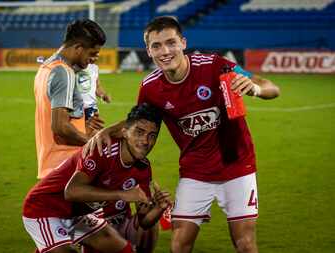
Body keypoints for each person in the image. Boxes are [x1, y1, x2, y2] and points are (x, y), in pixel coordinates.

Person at [83, 16, 280, 253]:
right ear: (148, 51)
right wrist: (108, 131)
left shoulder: (214, 66)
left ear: (183, 43)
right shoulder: (150, 87)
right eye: (156, 46)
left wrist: (255, 88)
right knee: (179, 244)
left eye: (171, 43)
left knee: (245, 243)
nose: (165, 51)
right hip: (195, 171)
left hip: (237, 166)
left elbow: (272, 87)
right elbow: (138, 123)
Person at [22, 103, 172, 253]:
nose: (146, 141)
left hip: (77, 215)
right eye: (139, 132)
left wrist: (159, 209)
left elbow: (144, 222)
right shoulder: (102, 149)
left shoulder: (143, 168)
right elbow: (72, 191)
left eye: (152, 136)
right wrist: (122, 194)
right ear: (124, 132)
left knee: (124, 250)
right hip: (44, 208)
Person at [34, 19, 106, 179]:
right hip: (66, 167)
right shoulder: (63, 72)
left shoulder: (46, 68)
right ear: (78, 48)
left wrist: (82, 125)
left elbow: (55, 117)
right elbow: (59, 126)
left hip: (52, 165)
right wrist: (91, 141)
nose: (95, 59)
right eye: (92, 53)